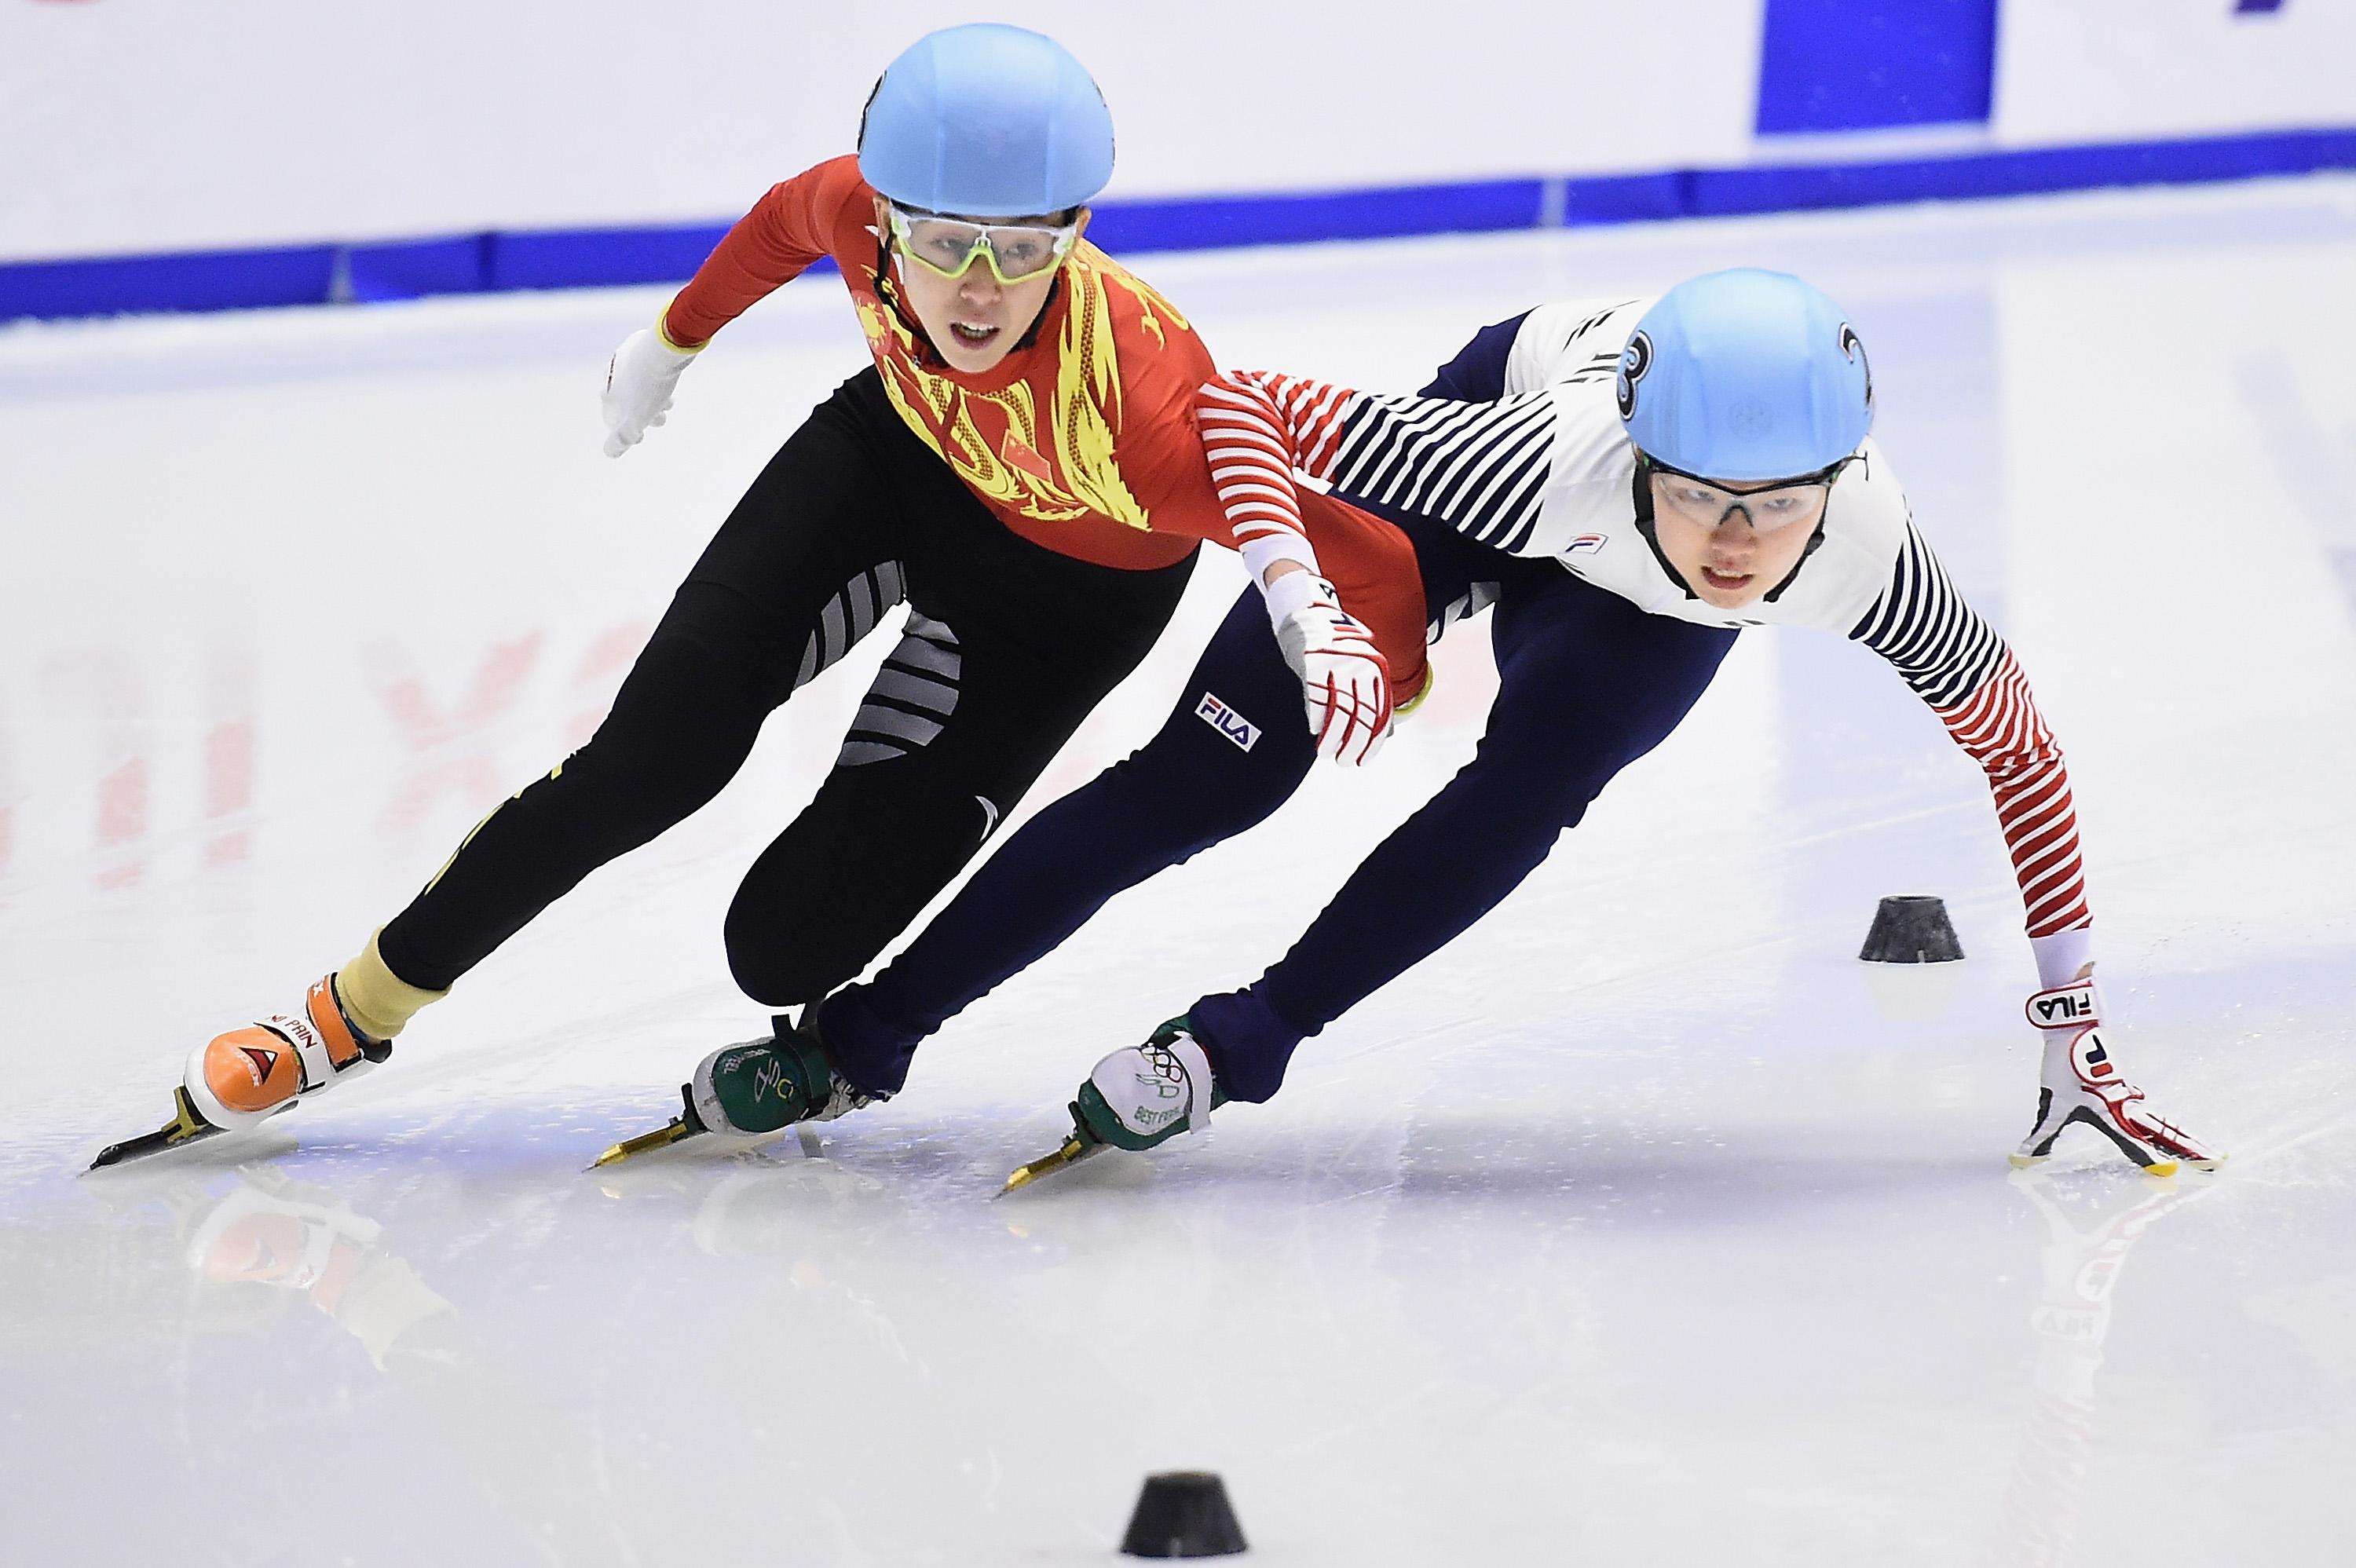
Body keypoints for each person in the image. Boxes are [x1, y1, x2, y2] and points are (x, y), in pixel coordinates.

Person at [98, 24, 1426, 1167]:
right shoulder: (852, 208)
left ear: (1076, 234)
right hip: (893, 468)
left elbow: (1345, 528)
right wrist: (671, 341)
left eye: (1020, 252)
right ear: (889, 218)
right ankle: (349, 1013)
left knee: (782, 950)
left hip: (1062, 607)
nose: (974, 289)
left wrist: (1359, 639)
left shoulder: (1139, 412)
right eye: (941, 242)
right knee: (646, 762)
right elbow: (784, 220)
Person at [801, 269, 2217, 1179]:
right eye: (1711, 499)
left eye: (1780, 504)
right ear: (1649, 460)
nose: (1739, 543)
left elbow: (2023, 756)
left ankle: (1242, 1044)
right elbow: (1243, 410)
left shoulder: (1869, 559)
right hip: (1502, 463)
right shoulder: (1527, 463)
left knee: (1531, 786)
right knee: (1205, 778)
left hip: (1617, 600)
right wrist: (1302, 595)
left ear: (1834, 485)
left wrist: (2071, 1024)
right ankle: (868, 1031)